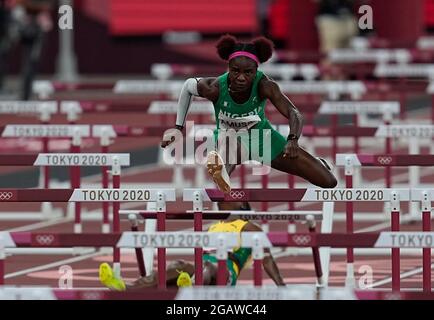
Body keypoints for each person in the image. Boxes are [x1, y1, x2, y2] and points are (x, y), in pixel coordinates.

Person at [161, 34, 337, 212]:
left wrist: (292, 139)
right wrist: (178, 127)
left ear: (256, 71)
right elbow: (187, 86)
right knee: (226, 158)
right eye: (235, 71)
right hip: (229, 140)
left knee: (329, 182)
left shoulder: (265, 85)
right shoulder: (214, 88)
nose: (241, 78)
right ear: (228, 68)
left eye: (248, 72)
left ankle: (318, 164)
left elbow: (294, 113)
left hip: (263, 139)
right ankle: (221, 176)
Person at [99, 218, 286, 290]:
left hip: (227, 270)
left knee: (210, 267)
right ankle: (127, 287)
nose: (221, 199)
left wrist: (282, 288)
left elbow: (267, 259)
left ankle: (191, 287)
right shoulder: (214, 227)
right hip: (202, 265)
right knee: (179, 265)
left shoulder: (249, 227)